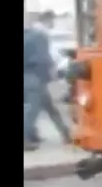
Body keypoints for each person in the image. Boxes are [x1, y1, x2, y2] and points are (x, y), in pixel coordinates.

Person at [24, 11, 72, 151]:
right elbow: (43, 58)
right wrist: (53, 73)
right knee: (32, 111)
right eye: (52, 21)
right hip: (35, 78)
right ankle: (25, 139)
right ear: (47, 20)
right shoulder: (40, 36)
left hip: (29, 77)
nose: (53, 24)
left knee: (50, 108)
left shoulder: (28, 34)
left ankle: (65, 133)